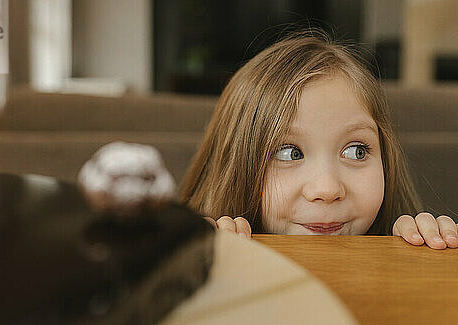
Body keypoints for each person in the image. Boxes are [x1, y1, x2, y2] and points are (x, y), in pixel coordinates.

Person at [180, 30, 458, 250]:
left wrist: (427, 248)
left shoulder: (408, 248)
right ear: (235, 165)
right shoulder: (202, 257)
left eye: (356, 151)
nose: (327, 189)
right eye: (289, 152)